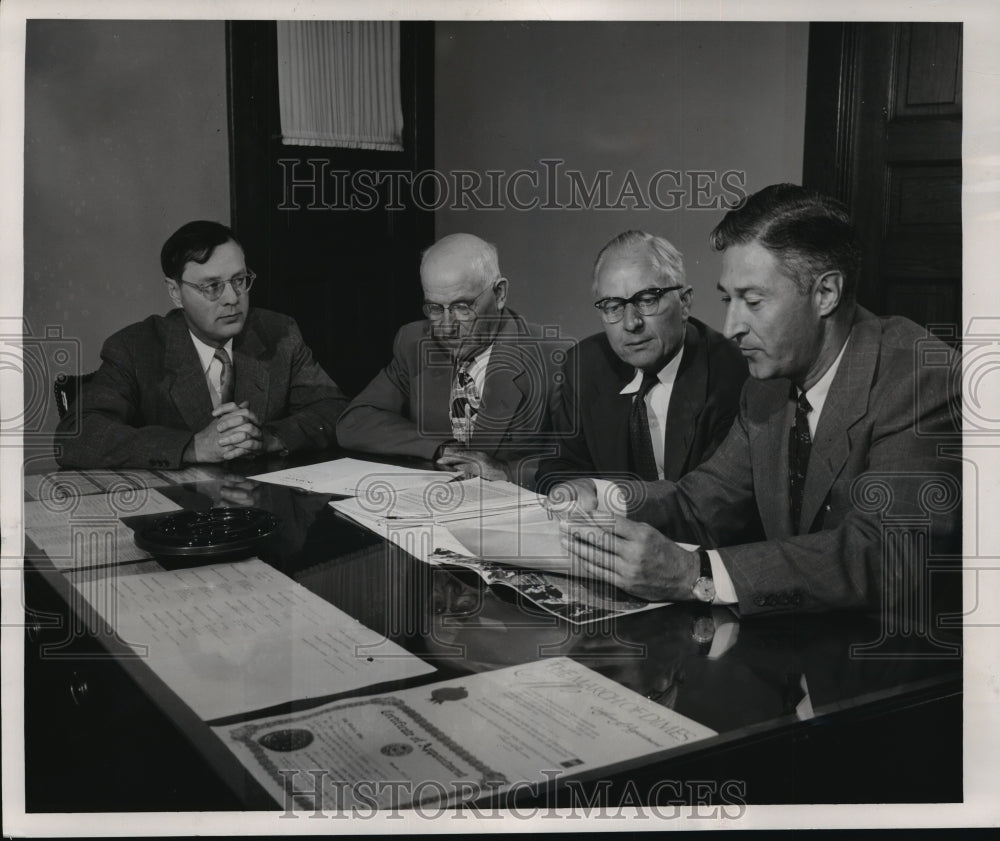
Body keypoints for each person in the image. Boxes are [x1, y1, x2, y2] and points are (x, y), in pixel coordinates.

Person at [551, 184, 961, 615]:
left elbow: (885, 557)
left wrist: (696, 574)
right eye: (729, 299)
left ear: (826, 294)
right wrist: (604, 495)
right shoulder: (765, 386)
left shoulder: (919, 377)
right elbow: (700, 504)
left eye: (753, 300)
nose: (731, 327)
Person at [55, 220, 348, 469]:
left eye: (239, 280)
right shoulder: (135, 348)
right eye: (212, 287)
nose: (232, 298)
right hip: (178, 517)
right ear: (175, 292)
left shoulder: (279, 333)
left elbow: (335, 411)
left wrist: (269, 437)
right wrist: (192, 447)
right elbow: (75, 436)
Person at [336, 233, 560, 484]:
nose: (445, 328)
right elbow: (354, 422)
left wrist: (507, 472)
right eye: (434, 308)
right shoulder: (413, 342)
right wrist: (441, 448)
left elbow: (588, 462)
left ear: (499, 294)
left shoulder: (554, 359)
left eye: (462, 307)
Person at [535, 230, 747, 492]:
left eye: (647, 300)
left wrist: (608, 501)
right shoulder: (584, 365)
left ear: (685, 303)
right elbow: (558, 469)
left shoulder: (733, 374)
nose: (630, 323)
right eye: (613, 306)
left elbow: (714, 501)